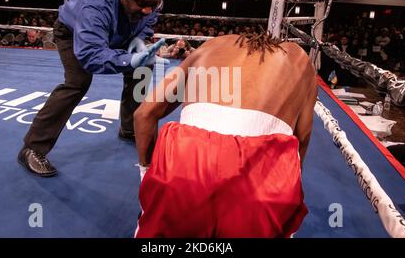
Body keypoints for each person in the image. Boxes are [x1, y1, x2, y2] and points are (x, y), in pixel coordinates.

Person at [133, 33, 317, 237]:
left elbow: (144, 114)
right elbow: (302, 139)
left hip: (184, 163)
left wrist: (147, 174)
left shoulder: (210, 47)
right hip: (261, 178)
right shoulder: (300, 59)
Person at [18, 0, 168, 177]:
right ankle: (32, 148)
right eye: (142, 3)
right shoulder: (95, 2)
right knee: (77, 82)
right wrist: (129, 60)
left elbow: (149, 15)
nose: (147, 9)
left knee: (143, 68)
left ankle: (129, 128)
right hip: (75, 33)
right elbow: (91, 56)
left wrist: (141, 38)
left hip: (121, 30)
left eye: (153, 4)